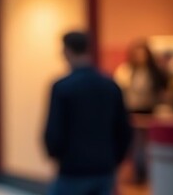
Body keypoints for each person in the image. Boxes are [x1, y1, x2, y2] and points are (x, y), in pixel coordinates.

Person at [44, 32, 133, 195]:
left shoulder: (62, 88)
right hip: (104, 168)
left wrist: (57, 155)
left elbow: (54, 133)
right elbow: (124, 130)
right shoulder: (110, 86)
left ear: (67, 51)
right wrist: (114, 159)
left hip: (72, 169)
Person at [112, 41, 168, 184]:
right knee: (136, 143)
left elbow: (163, 91)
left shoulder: (155, 72)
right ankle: (138, 173)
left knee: (151, 144)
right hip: (132, 110)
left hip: (150, 110)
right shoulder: (126, 71)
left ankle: (151, 174)